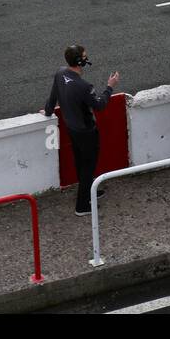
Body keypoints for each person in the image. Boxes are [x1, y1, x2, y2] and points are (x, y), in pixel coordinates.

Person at [43, 45, 119, 215]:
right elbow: (99, 105)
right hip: (86, 132)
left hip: (72, 128)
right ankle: (82, 206)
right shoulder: (83, 86)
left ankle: (89, 191)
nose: (86, 58)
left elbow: (53, 96)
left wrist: (48, 111)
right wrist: (110, 86)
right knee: (88, 167)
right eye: (85, 56)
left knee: (80, 163)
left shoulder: (60, 73)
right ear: (79, 61)